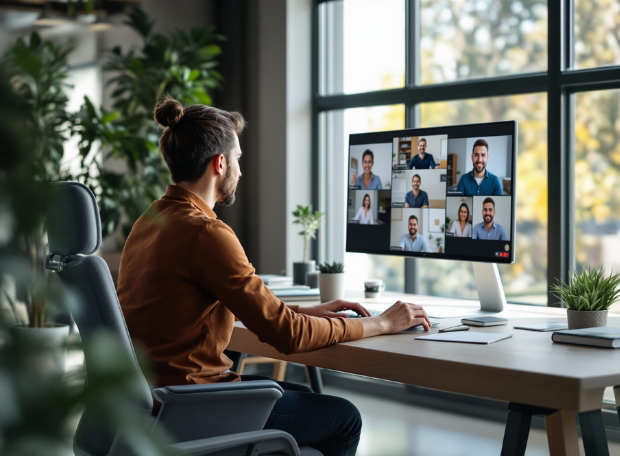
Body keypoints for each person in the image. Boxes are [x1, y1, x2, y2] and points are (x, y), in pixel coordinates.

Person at [117, 97, 431, 456]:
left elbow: (197, 306)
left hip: (158, 400)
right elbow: (286, 335)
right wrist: (381, 324)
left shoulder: (151, 220)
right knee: (344, 418)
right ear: (220, 164)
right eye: (237, 160)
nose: (240, 169)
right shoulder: (206, 233)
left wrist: (307, 310)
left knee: (307, 397)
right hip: (192, 405)